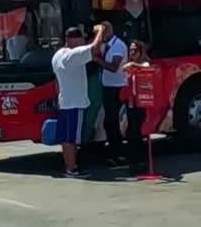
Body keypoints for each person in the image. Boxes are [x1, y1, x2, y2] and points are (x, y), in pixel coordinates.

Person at [52, 23, 106, 177]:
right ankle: (72, 168)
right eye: (81, 39)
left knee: (66, 139)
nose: (83, 42)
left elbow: (56, 80)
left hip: (64, 101)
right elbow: (95, 48)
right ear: (75, 40)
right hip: (75, 103)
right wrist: (101, 30)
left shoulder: (58, 55)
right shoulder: (73, 55)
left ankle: (69, 167)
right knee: (72, 139)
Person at [99, 21, 128, 165]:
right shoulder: (106, 45)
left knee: (112, 121)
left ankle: (118, 153)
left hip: (117, 87)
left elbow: (113, 67)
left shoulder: (118, 46)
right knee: (109, 122)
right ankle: (114, 152)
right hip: (107, 86)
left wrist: (97, 60)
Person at [122, 40, 151, 172]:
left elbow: (146, 69)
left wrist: (133, 64)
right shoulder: (129, 66)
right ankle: (134, 161)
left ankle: (140, 161)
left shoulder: (143, 63)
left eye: (134, 50)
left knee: (137, 132)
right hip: (130, 102)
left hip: (141, 104)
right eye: (130, 50)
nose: (132, 52)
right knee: (131, 132)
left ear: (140, 52)